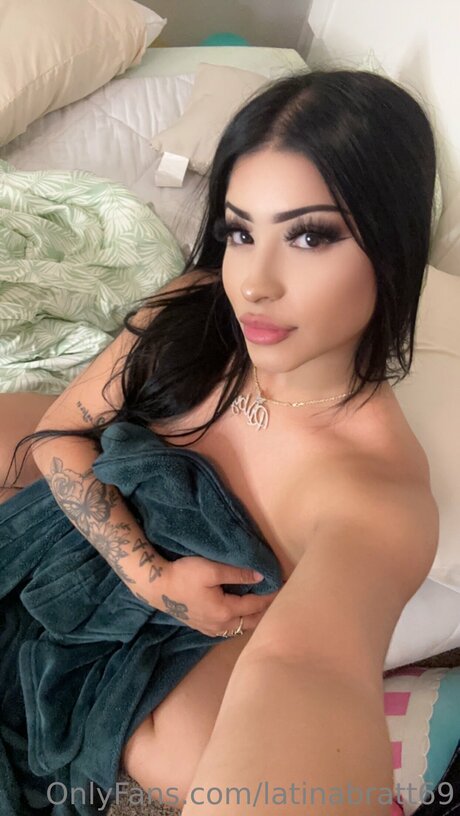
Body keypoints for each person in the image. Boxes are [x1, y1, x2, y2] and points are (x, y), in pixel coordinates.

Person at [0, 68, 439, 814]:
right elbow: (59, 432)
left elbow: (312, 669)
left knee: (190, 760)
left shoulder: (375, 492)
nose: (254, 284)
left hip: (179, 655)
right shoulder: (197, 308)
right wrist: (149, 575)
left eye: (309, 235)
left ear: (391, 249)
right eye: (240, 232)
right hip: (63, 529)